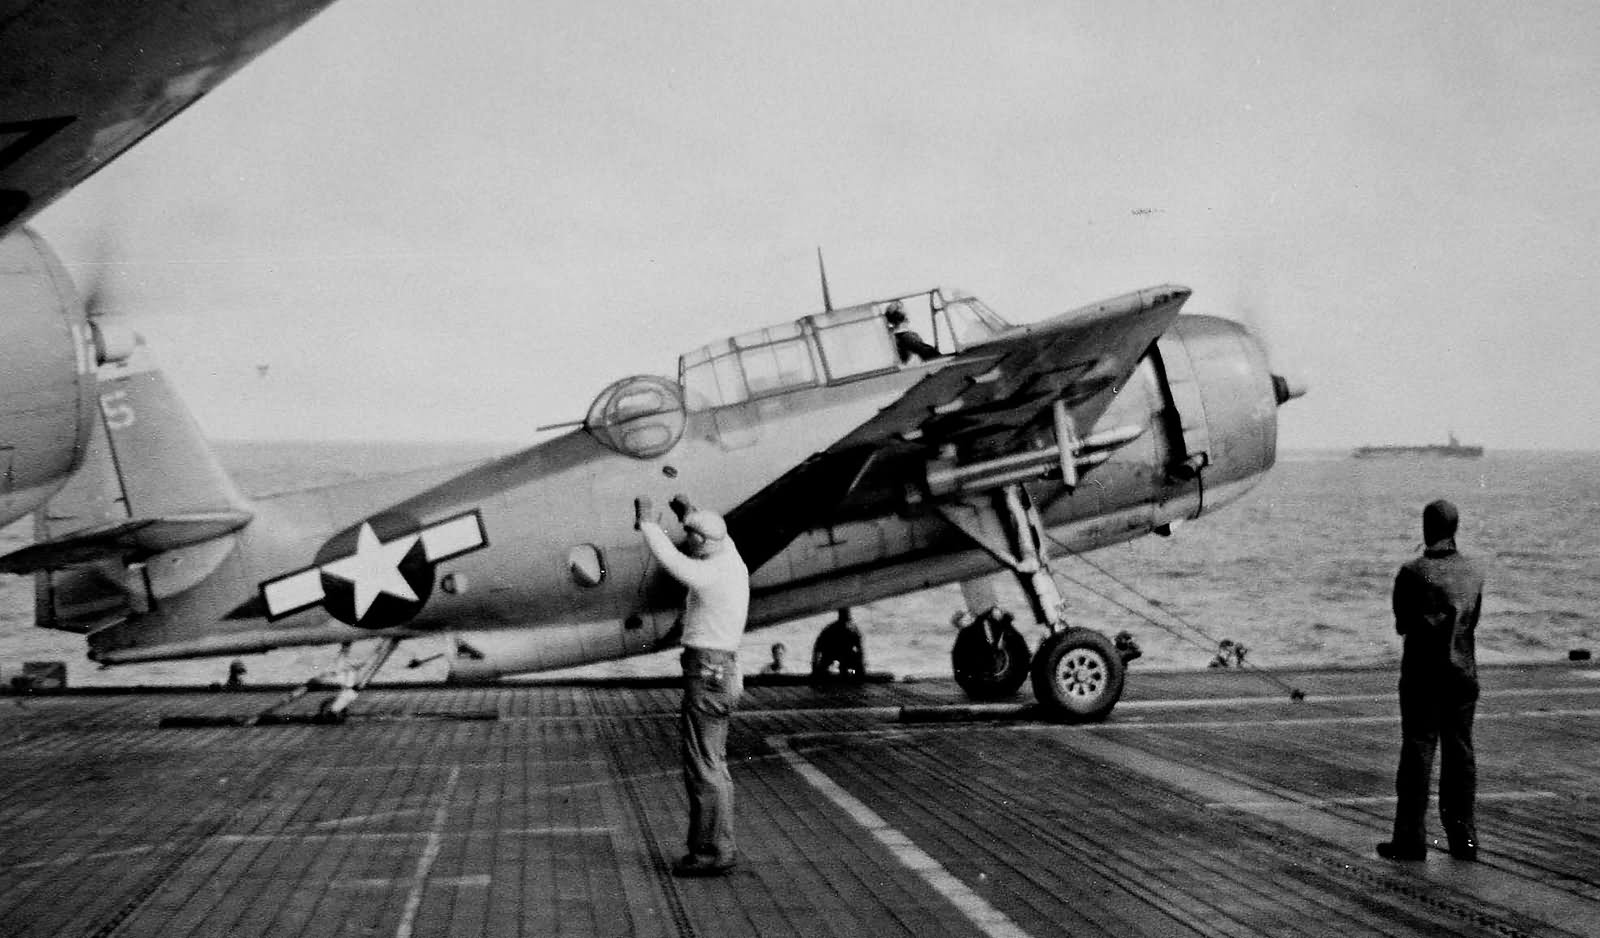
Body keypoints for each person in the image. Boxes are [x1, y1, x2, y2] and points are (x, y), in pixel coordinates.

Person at [637, 493, 751, 877]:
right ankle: (720, 846)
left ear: (702, 544)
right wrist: (688, 512)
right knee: (714, 764)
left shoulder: (708, 572)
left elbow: (672, 561)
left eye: (691, 537)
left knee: (703, 766)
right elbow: (709, 534)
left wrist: (648, 524)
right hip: (724, 670)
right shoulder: (730, 557)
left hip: (707, 672)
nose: (688, 541)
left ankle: (710, 853)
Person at [1378, 499, 1486, 863]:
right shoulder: (1474, 571)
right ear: (1455, 528)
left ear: (1426, 528)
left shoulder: (1412, 571)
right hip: (1462, 673)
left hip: (1423, 675)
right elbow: (1473, 621)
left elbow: (1401, 624)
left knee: (1418, 753)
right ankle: (1464, 838)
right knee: (1460, 754)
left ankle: (1410, 839)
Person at [811, 608, 866, 677]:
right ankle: (823, 673)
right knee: (823, 668)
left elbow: (859, 649)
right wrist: (815, 666)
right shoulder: (832, 629)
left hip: (844, 657)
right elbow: (818, 647)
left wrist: (860, 668)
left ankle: (851, 673)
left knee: (853, 669)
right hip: (831, 654)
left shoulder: (852, 630)